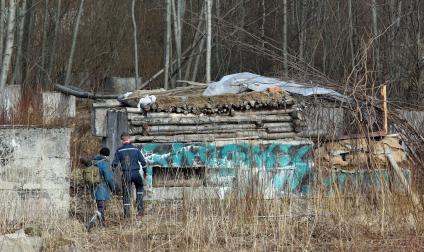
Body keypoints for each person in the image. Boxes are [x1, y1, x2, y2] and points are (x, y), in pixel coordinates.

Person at [112, 132, 147, 220]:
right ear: (129, 139)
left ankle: (127, 216)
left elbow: (114, 164)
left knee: (126, 194)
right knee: (140, 188)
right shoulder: (135, 149)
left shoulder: (119, 151)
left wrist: (110, 173)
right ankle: (139, 211)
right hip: (136, 173)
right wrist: (145, 172)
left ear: (121, 140)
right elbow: (143, 162)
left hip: (126, 174)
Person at [87, 147, 115, 229]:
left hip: (92, 187)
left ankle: (100, 223)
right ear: (107, 155)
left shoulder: (93, 161)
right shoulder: (104, 163)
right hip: (101, 188)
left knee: (98, 206)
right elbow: (109, 178)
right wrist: (113, 188)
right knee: (101, 207)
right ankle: (94, 224)